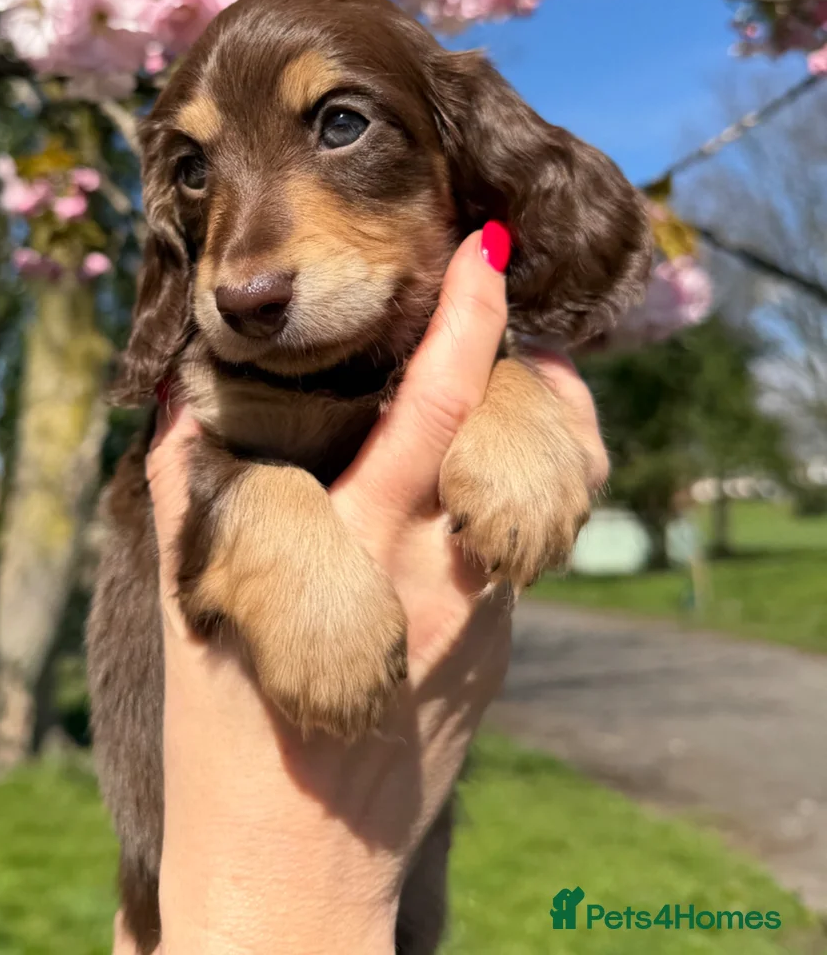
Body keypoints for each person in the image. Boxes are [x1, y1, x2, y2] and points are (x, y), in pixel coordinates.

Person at [113, 229, 609, 954]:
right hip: (183, 894)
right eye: (194, 173)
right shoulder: (214, 389)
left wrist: (513, 399)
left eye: (344, 124)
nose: (246, 275)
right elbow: (199, 470)